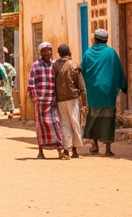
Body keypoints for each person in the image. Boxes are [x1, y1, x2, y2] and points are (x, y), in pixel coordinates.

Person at [80, 28, 127, 157]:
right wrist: (123, 85)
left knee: (93, 118)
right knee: (109, 119)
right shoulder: (111, 53)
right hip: (108, 92)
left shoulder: (88, 53)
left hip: (93, 92)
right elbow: (118, 70)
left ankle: (94, 146)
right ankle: (107, 149)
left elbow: (81, 70)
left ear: (95, 39)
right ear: (106, 40)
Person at [27, 42, 65, 159]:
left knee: (55, 124)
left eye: (49, 50)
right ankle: (41, 151)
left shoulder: (55, 64)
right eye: (45, 51)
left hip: (52, 100)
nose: (47, 53)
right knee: (41, 127)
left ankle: (60, 151)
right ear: (41, 52)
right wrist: (35, 98)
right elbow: (31, 83)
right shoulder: (36, 65)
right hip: (41, 102)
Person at [54, 44, 86, 158]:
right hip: (72, 97)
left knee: (64, 123)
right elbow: (80, 83)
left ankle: (66, 148)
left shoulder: (55, 65)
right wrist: (83, 97)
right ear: (70, 53)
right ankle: (75, 150)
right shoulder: (74, 64)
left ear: (59, 54)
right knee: (75, 122)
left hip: (60, 98)